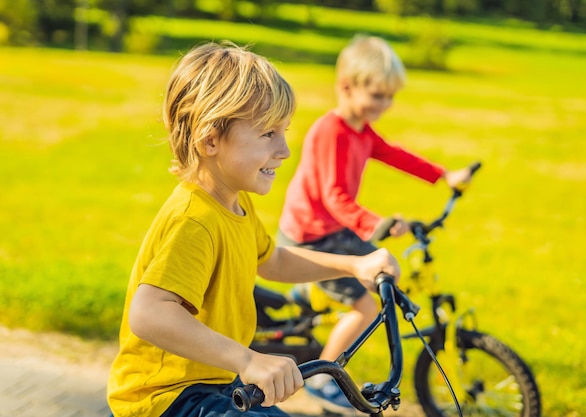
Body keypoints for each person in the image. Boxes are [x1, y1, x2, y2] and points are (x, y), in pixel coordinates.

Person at [106, 41, 401, 417]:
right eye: (268, 134)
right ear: (210, 139)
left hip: (213, 384)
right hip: (167, 397)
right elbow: (149, 314)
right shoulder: (195, 219)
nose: (285, 150)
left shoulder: (235, 202)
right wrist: (247, 360)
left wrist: (353, 266)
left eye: (284, 132)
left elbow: (272, 259)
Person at [278, 35, 472, 415]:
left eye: (390, 97)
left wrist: (444, 175)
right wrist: (376, 223)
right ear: (347, 87)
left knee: (384, 271)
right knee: (366, 307)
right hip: (312, 234)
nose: (385, 105)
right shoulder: (329, 131)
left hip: (334, 230)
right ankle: (320, 379)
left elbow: (395, 155)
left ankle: (313, 297)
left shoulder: (362, 129)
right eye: (378, 95)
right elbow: (334, 195)